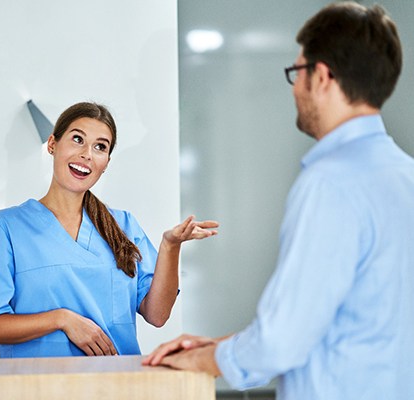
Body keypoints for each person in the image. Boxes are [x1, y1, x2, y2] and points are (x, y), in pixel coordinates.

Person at [143, 2, 414, 399]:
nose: (294, 87)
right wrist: (221, 348)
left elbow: (283, 341)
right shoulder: (406, 176)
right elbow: (339, 322)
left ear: (321, 77)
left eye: (297, 72)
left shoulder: (329, 183)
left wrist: (204, 360)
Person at [0, 101, 218, 358]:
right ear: (52, 144)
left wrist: (170, 247)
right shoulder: (7, 228)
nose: (87, 154)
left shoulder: (124, 226)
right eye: (77, 139)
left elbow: (157, 314)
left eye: (100, 147)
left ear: (105, 163)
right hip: (39, 388)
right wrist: (62, 320)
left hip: (116, 385)